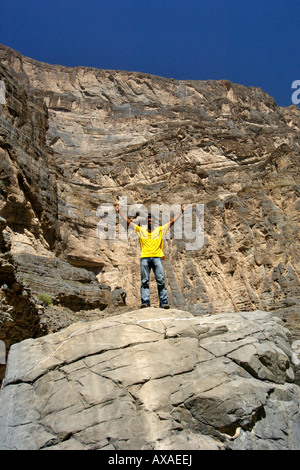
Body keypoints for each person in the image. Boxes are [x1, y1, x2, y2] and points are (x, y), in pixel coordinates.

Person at [114, 203, 186, 309]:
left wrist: (182, 211)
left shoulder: (160, 230)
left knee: (161, 280)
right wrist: (119, 211)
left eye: (151, 221)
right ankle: (146, 302)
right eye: (148, 221)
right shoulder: (141, 230)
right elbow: (128, 222)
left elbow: (172, 221)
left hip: (157, 258)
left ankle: (164, 302)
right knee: (145, 281)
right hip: (145, 258)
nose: (150, 222)